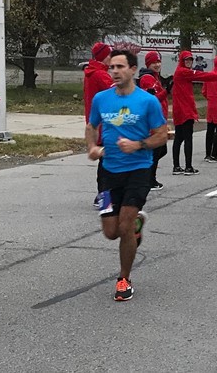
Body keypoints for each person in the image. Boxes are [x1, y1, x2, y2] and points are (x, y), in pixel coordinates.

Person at [86, 50, 167, 301]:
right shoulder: (101, 99)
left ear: (133, 69)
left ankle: (124, 279)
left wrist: (138, 145)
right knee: (111, 232)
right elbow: (91, 126)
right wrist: (92, 147)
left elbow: (161, 135)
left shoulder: (147, 101)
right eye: (112, 67)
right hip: (108, 172)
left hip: (138, 171)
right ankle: (136, 226)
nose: (115, 71)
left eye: (120, 67)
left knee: (125, 226)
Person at [170, 51, 217, 175]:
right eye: (186, 60)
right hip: (185, 110)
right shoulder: (183, 72)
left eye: (190, 59)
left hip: (180, 108)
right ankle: (188, 167)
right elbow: (203, 76)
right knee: (187, 138)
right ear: (182, 61)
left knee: (179, 138)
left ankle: (176, 166)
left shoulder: (181, 72)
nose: (189, 62)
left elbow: (204, 87)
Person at [84, 43, 115, 205]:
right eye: (109, 55)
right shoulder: (100, 75)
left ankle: (104, 193)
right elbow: (116, 92)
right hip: (104, 123)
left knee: (105, 160)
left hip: (96, 121)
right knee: (107, 162)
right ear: (104, 56)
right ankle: (103, 194)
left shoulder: (92, 73)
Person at [138, 51, 169, 190]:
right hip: (152, 122)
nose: (157, 65)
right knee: (156, 151)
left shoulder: (155, 77)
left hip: (159, 119)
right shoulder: (147, 78)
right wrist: (167, 91)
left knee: (161, 150)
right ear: (148, 64)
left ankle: (147, 176)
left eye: (158, 62)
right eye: (153, 63)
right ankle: (149, 179)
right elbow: (152, 100)